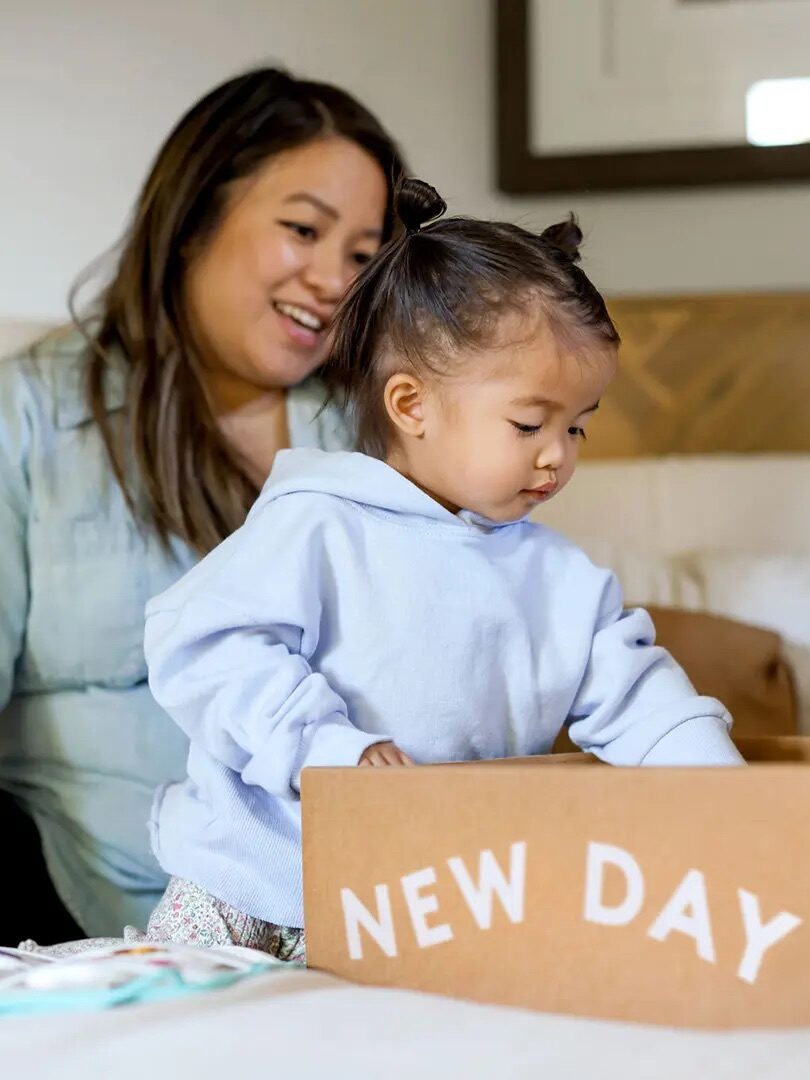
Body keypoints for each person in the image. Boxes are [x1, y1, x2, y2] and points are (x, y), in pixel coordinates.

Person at [139, 179, 744, 960]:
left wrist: (732, 804)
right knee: (172, 1035)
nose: (557, 454)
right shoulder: (318, 523)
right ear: (411, 405)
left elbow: (645, 704)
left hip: (415, 898)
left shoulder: (561, 582)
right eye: (530, 422)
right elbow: (201, 646)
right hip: (244, 881)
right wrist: (329, 748)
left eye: (579, 428)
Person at [0, 67, 406, 941]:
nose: (334, 280)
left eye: (363, 256)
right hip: (65, 893)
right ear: (192, 223)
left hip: (315, 903)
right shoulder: (28, 414)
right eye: (304, 229)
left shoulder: (375, 443)